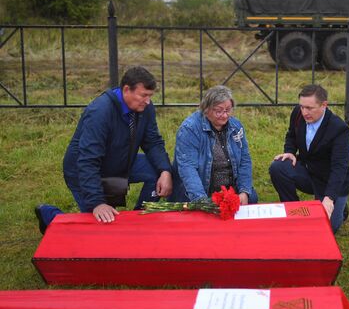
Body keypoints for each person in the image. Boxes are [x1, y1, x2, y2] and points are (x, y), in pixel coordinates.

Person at [35, 66, 172, 233]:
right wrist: (97, 202)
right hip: (83, 171)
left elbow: (152, 141)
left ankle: (137, 221)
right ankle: (49, 214)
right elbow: (87, 160)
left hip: (120, 162)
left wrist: (165, 170)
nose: (148, 101)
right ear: (126, 90)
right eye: (144, 95)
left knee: (157, 170)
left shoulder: (144, 107)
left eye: (150, 96)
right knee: (97, 230)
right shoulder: (100, 112)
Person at [269, 84, 349, 233]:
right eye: (302, 107)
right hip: (308, 171)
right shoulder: (298, 113)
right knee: (278, 167)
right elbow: (291, 135)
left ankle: (340, 207)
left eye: (309, 108)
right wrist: (290, 152)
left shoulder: (339, 128)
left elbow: (340, 167)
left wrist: (330, 198)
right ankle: (292, 211)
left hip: (329, 180)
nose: (304, 112)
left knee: (327, 228)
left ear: (324, 105)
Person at [170, 85, 258, 204]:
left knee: (251, 199)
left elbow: (244, 160)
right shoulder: (190, 129)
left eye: (228, 110)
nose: (225, 115)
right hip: (202, 190)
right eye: (219, 111)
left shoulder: (236, 126)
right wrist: (201, 200)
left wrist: (244, 191)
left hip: (230, 189)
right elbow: (188, 167)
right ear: (206, 110)